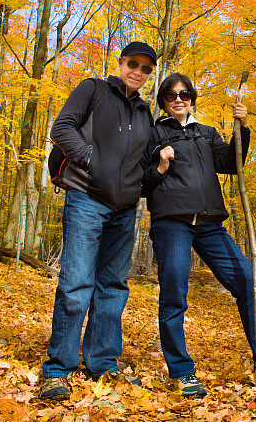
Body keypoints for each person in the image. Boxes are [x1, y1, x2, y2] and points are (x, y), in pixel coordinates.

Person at [142, 72, 256, 398]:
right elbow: (142, 182)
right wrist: (160, 166)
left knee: (248, 279)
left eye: (185, 93)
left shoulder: (206, 133)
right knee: (174, 293)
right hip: (171, 224)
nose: (179, 98)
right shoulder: (154, 133)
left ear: (191, 97)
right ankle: (182, 373)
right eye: (172, 94)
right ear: (163, 100)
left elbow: (231, 163)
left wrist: (241, 130)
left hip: (210, 225)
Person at [38, 41, 157, 401]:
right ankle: (58, 368)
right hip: (86, 199)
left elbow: (144, 160)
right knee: (76, 283)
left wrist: (156, 170)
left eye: (146, 68)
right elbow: (62, 127)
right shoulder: (93, 89)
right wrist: (89, 157)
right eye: (132, 64)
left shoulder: (145, 113)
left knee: (114, 287)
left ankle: (102, 362)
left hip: (125, 210)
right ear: (120, 63)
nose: (137, 71)